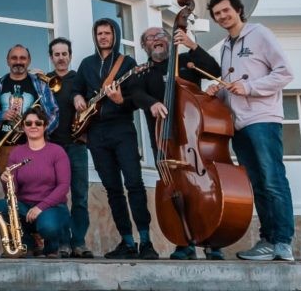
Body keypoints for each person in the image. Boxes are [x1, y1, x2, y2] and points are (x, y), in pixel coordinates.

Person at [205, 0, 296, 262]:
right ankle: (267, 241)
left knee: (273, 180)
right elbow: (232, 87)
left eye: (226, 11)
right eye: (217, 14)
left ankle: (282, 242)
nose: (222, 16)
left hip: (263, 119)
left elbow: (284, 73)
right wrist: (217, 91)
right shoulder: (225, 46)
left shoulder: (260, 34)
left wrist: (250, 88)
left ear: (239, 9)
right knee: (257, 184)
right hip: (239, 125)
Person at [132, 25, 223, 260]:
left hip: (193, 139)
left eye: (161, 35)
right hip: (164, 140)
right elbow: (135, 93)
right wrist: (151, 102)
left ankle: (212, 241)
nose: (156, 40)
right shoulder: (143, 71)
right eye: (150, 38)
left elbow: (214, 70)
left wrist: (193, 45)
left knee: (203, 189)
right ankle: (184, 243)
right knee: (175, 190)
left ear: (170, 40)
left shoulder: (186, 62)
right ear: (145, 47)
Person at [72, 18, 158, 260]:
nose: (103, 37)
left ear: (115, 35)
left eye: (107, 33)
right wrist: (77, 97)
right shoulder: (87, 64)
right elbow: (76, 88)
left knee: (134, 184)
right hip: (96, 134)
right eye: (99, 33)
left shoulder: (128, 63)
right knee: (112, 189)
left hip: (122, 130)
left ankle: (146, 241)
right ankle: (127, 242)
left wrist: (121, 101)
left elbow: (136, 98)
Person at [0, 106, 71, 257]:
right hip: (25, 207)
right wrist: (7, 182)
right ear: (23, 127)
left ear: (45, 126)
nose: (33, 126)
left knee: (48, 226)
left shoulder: (57, 151)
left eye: (38, 123)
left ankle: (52, 247)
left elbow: (63, 186)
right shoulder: (16, 153)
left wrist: (40, 207)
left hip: (52, 207)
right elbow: (12, 193)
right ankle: (28, 245)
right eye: (29, 123)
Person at [44, 37, 91, 259]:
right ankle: (62, 242)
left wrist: (82, 100)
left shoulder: (80, 79)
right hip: (53, 146)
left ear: (70, 56)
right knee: (58, 197)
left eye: (64, 54)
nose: (61, 58)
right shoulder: (45, 82)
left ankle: (79, 242)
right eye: (57, 54)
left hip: (76, 145)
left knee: (80, 196)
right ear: (51, 58)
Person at [0, 44, 59, 173]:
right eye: (14, 58)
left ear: (29, 61)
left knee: (36, 189)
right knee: (10, 190)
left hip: (34, 147)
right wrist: (2, 115)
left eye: (23, 58)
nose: (18, 62)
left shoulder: (41, 85)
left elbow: (54, 114)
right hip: (5, 148)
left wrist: (38, 131)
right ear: (8, 61)